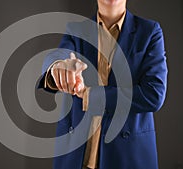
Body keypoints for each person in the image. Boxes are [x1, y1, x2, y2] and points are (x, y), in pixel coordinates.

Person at [38, 0, 168, 168]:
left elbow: (154, 94)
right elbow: (57, 56)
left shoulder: (150, 31)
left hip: (128, 156)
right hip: (77, 157)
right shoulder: (76, 30)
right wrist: (57, 66)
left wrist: (92, 96)